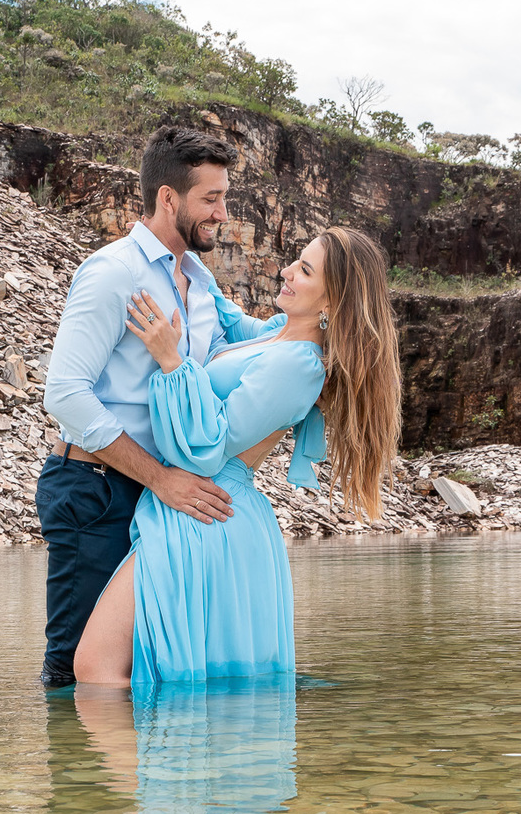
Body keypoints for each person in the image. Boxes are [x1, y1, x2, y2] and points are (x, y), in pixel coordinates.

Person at [73, 226, 402, 689]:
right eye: (295, 259)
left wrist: (172, 359)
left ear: (332, 303)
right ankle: (164, 757)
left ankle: (146, 758)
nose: (286, 272)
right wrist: (177, 250)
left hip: (208, 506)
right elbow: (217, 304)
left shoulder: (299, 365)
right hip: (195, 506)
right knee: (135, 670)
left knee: (97, 668)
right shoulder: (274, 336)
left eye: (305, 270)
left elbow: (211, 447)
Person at [36, 125, 240, 687]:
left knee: (144, 664)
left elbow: (230, 358)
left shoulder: (201, 283)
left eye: (224, 197)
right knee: (79, 671)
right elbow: (65, 394)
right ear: (168, 198)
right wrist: (161, 480)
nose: (222, 213)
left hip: (161, 495)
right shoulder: (113, 273)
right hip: (96, 491)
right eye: (211, 199)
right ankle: (77, 773)